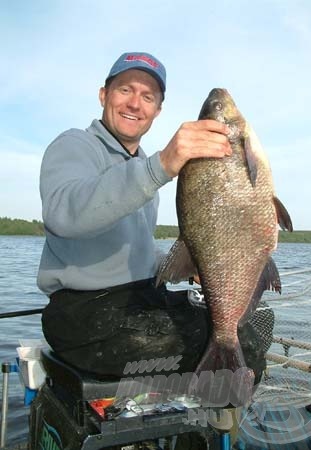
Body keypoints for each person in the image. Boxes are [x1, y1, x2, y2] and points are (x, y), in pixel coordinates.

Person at [38, 51, 266, 381]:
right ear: (104, 95)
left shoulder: (142, 168)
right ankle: (198, 424)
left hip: (140, 303)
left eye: (147, 96)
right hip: (83, 318)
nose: (135, 104)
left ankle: (201, 423)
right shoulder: (75, 145)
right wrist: (161, 166)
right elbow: (63, 215)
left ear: (157, 111)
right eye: (125, 90)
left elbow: (137, 253)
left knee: (253, 321)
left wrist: (194, 266)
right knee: (242, 347)